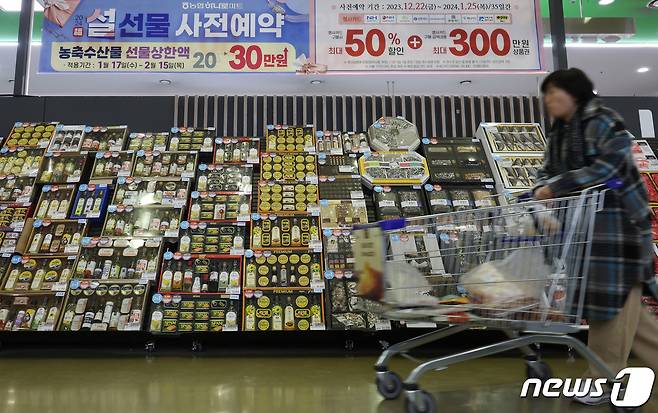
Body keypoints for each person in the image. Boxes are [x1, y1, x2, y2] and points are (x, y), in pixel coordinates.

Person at [534, 68, 658, 405]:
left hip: (621, 224)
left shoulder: (604, 120)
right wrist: (538, 191)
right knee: (631, 313)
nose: (548, 101)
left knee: (611, 307)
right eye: (546, 95)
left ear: (575, 94)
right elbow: (545, 171)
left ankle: (602, 381)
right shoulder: (560, 133)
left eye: (554, 94)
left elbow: (610, 168)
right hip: (589, 226)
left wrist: (555, 187)